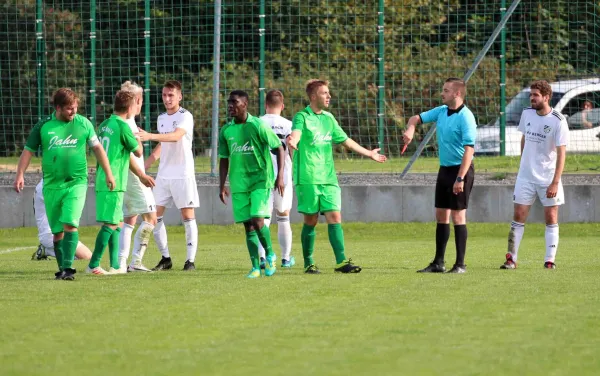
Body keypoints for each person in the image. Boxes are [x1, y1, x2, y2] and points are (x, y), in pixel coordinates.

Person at [287, 79, 387, 274]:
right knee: (311, 221)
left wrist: (369, 153)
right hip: (308, 178)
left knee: (335, 216)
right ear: (313, 96)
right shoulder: (302, 116)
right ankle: (308, 262)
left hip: (329, 178)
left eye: (328, 93)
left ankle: (341, 262)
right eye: (325, 93)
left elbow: (346, 141)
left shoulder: (329, 119)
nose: (329, 96)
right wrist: (293, 140)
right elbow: (296, 133)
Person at [14, 88, 115, 281]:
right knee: (57, 233)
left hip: (76, 183)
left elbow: (98, 149)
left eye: (76, 108)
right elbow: (27, 151)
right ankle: (62, 269)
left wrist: (108, 173)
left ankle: (68, 269)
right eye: (69, 109)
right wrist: (20, 175)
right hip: (52, 186)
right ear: (58, 107)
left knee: (70, 223)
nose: (74, 112)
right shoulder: (44, 126)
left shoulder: (84, 124)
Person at [403, 77, 476, 274]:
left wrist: (460, 178)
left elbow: (469, 150)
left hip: (461, 170)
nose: (442, 93)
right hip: (444, 169)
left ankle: (460, 265)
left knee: (458, 216)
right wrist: (410, 130)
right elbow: (415, 118)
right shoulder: (442, 111)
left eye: (445, 90)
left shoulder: (466, 117)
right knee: (441, 215)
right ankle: (438, 263)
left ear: (457, 94)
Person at [500, 80, 569, 270]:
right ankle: (511, 259)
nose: (532, 98)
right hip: (526, 177)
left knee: (551, 217)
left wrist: (555, 182)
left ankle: (549, 260)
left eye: (536, 95)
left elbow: (562, 153)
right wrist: (524, 163)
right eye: (531, 94)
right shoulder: (527, 113)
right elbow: (524, 138)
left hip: (548, 178)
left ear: (546, 97)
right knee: (518, 215)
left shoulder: (558, 121)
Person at [218, 90, 285, 278]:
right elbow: (224, 159)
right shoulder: (226, 130)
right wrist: (222, 185)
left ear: (245, 104)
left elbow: (279, 148)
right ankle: (255, 267)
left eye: (235, 102)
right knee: (248, 225)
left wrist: (279, 176)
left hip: (260, 180)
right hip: (239, 183)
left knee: (257, 220)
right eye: (229, 102)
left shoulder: (258, 125)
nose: (231, 106)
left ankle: (270, 254)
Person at [139, 80, 199, 271]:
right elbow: (162, 145)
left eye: (171, 95)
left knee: (187, 216)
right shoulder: (162, 117)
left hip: (183, 174)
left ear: (179, 96)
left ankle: (190, 261)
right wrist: (144, 166)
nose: (167, 99)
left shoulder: (185, 116)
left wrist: (149, 135)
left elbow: (175, 136)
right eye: (164, 95)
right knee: (153, 216)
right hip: (163, 175)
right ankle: (166, 258)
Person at [87, 90, 143, 275]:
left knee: (117, 222)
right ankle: (93, 264)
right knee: (111, 224)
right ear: (129, 107)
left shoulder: (104, 124)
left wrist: (142, 176)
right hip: (114, 181)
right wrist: (138, 137)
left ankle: (115, 266)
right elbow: (138, 152)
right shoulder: (123, 126)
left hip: (103, 179)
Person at [116, 81, 157, 273]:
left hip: (126, 176)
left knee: (129, 219)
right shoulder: (128, 125)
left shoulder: (122, 121)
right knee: (151, 218)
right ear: (137, 101)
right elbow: (134, 154)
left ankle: (122, 262)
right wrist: (141, 175)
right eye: (141, 101)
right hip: (135, 177)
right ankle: (136, 261)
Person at [256, 89, 295, 268]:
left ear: (265, 105)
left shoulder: (257, 123)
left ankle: (262, 258)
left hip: (262, 176)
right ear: (282, 105)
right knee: (283, 216)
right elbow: (292, 150)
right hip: (283, 176)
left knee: (263, 217)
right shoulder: (288, 124)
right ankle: (286, 258)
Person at [31, 178, 92, 261]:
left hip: (57, 234)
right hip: (51, 235)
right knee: (87, 257)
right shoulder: (48, 187)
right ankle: (47, 250)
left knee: (86, 256)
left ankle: (46, 250)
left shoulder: (53, 183)